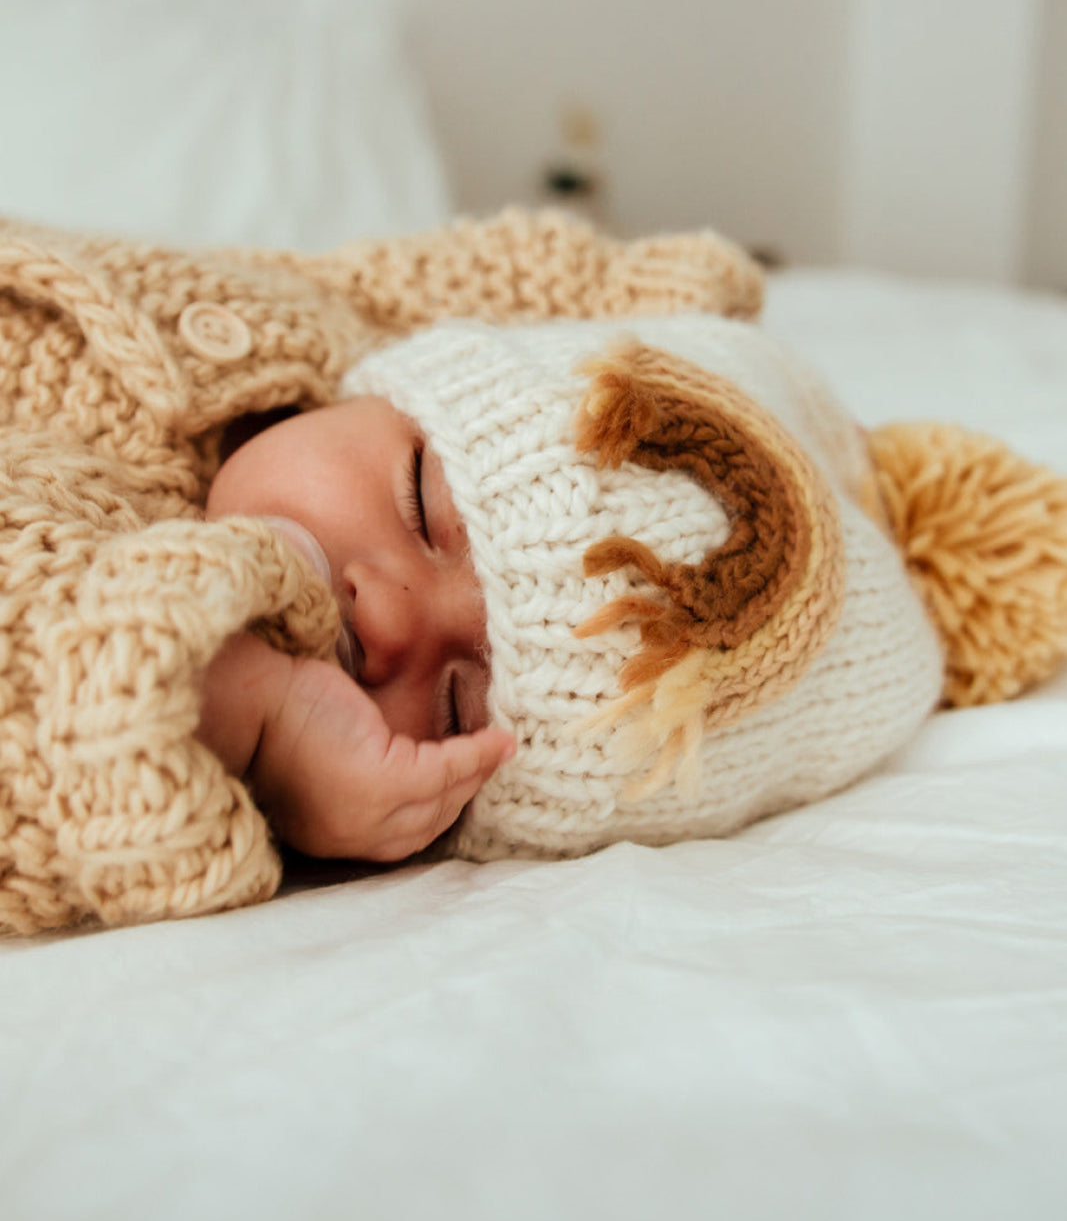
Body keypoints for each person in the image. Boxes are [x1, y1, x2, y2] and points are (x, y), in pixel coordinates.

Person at [3, 209, 1065, 935]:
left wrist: (255, 718)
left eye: (459, 702)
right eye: (419, 503)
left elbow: (53, 719)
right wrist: (626, 288)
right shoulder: (336, 331)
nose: (389, 626)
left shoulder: (98, 541)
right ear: (390, 384)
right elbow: (443, 276)